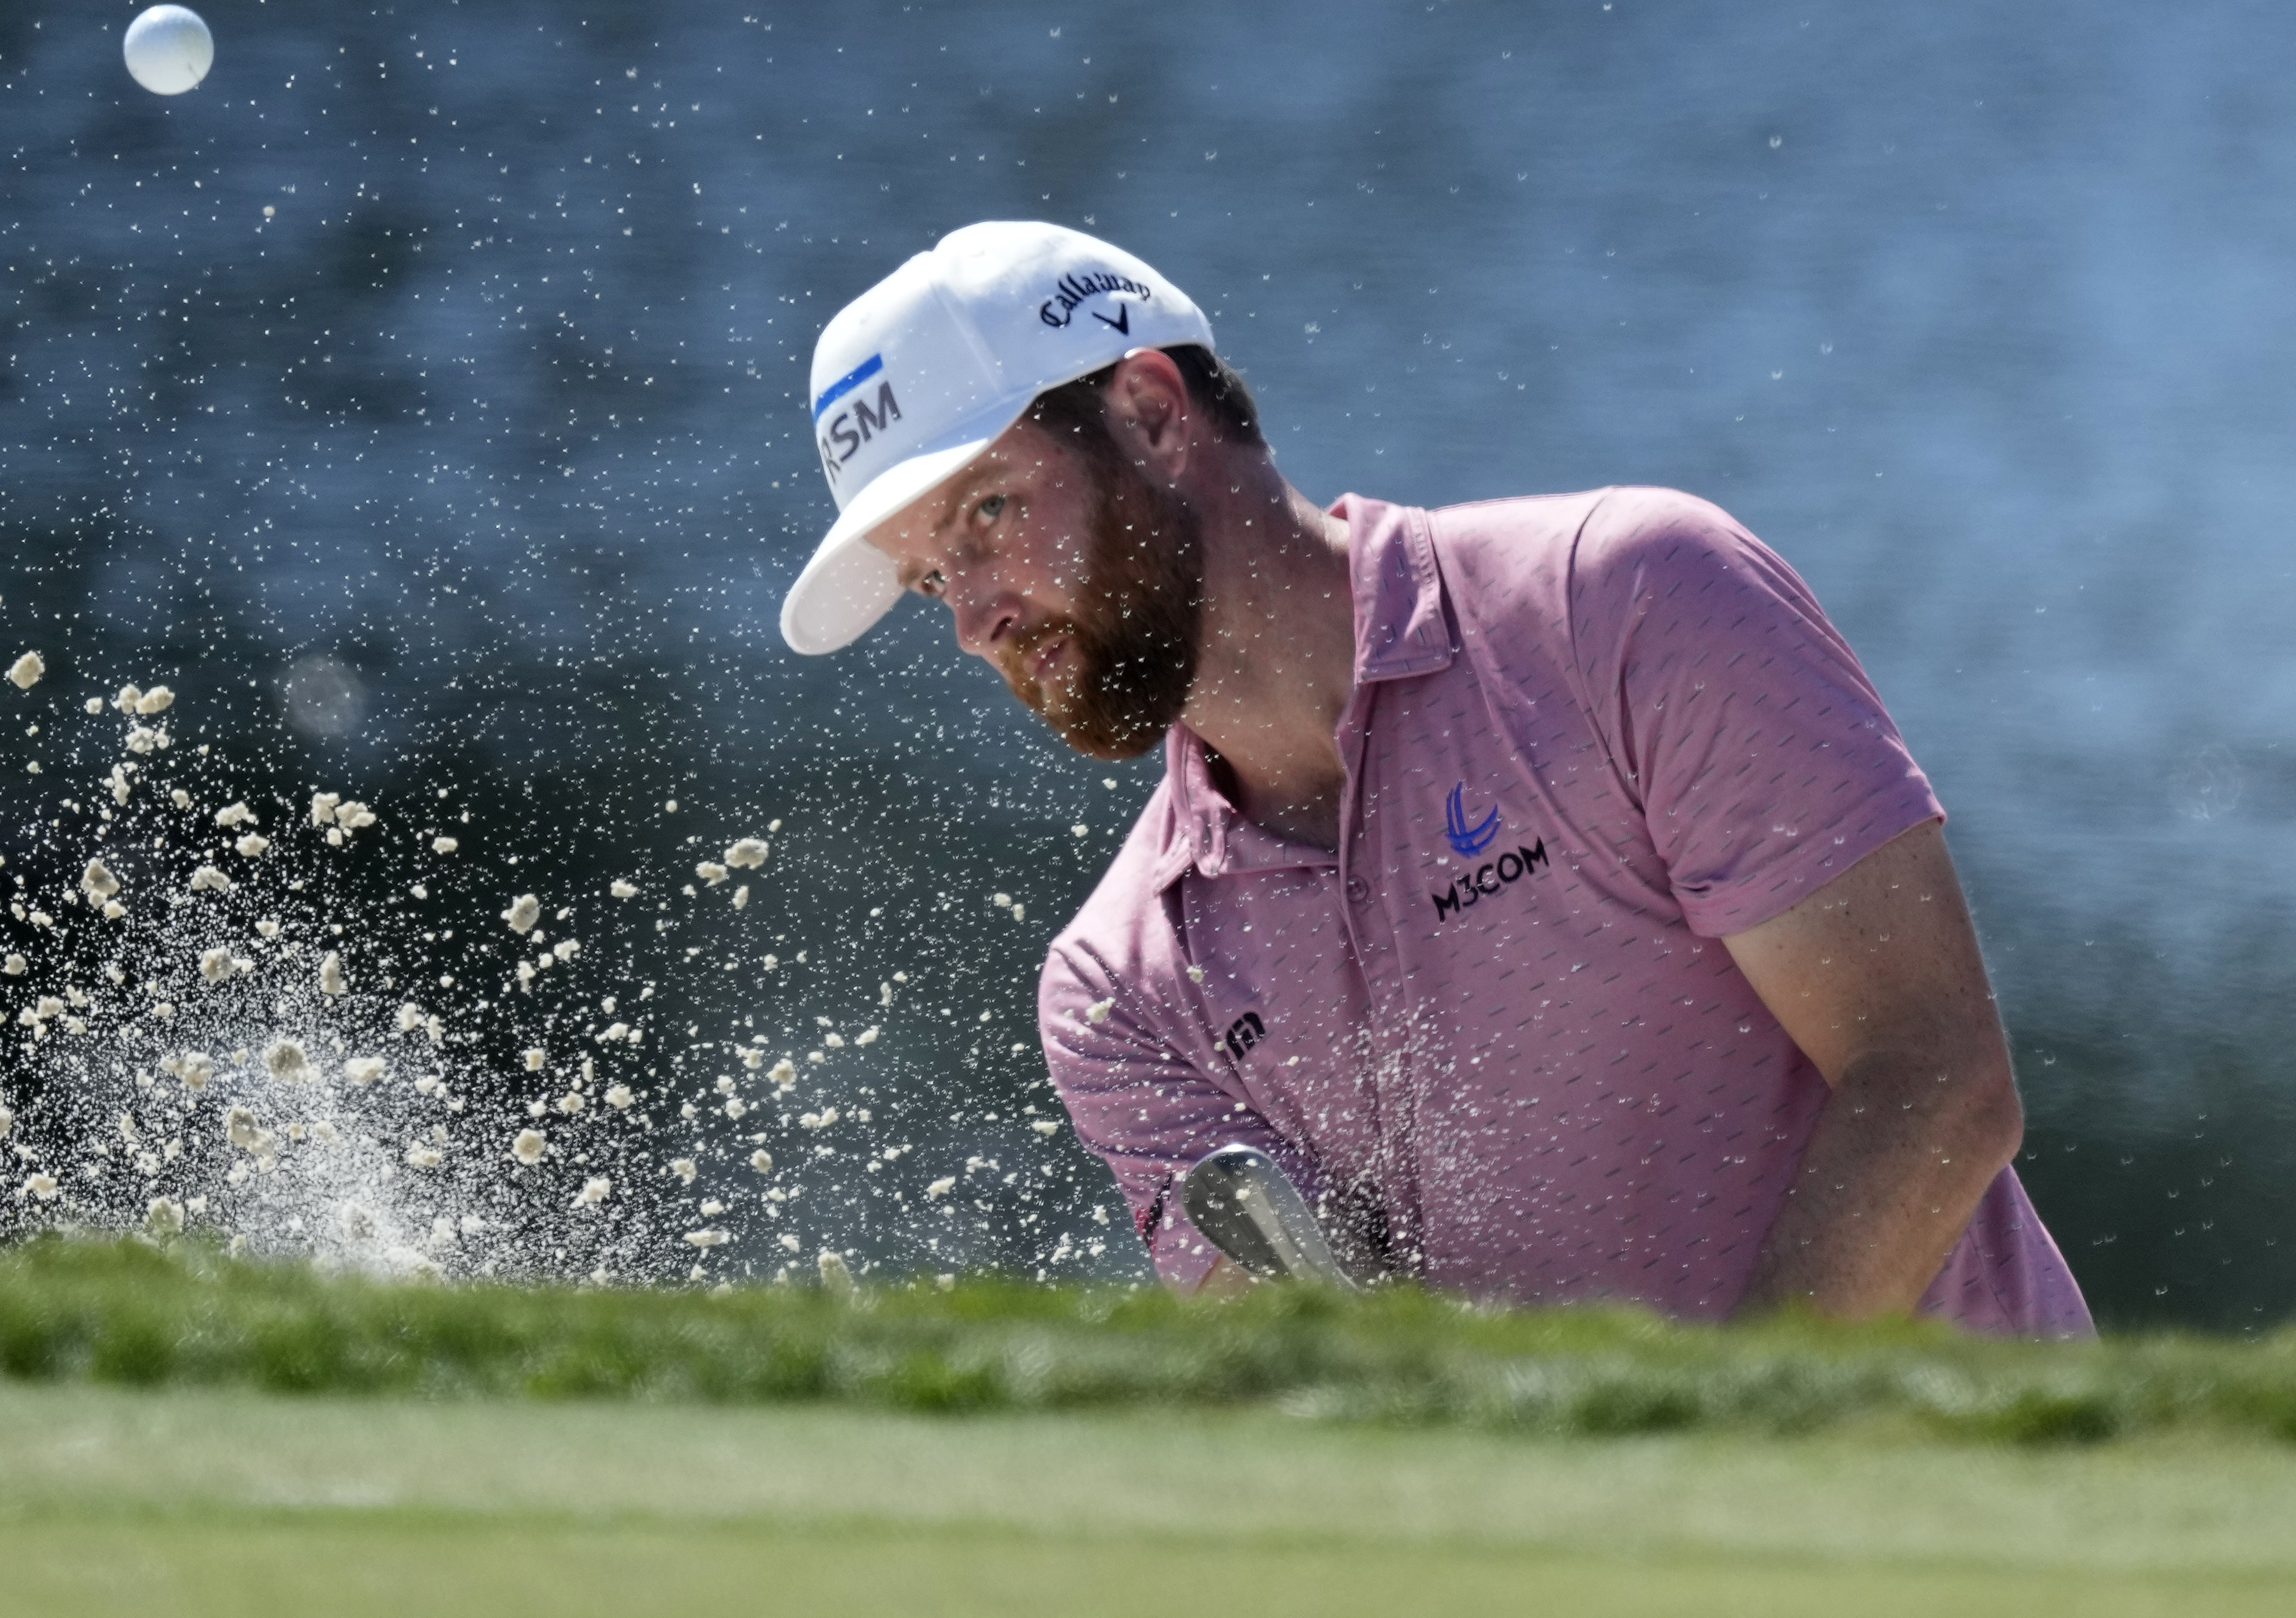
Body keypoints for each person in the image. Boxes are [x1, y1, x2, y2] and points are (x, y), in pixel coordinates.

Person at [781, 221, 2090, 1334]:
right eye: (930, 576)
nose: (973, 620)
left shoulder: (1623, 601)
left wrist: (1707, 1473)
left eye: (991, 515)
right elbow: (1330, 1387)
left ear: (1152, 413)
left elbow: (1932, 1080)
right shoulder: (1121, 991)